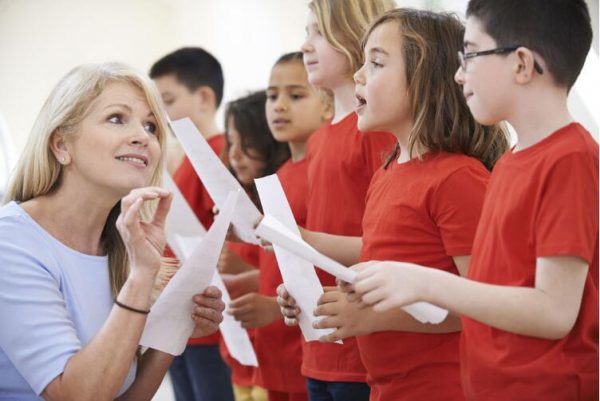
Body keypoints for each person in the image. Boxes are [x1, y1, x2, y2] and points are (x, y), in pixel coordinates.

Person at [350, 1, 599, 400]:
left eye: (471, 55)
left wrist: (425, 283)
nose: (458, 73)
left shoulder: (571, 158)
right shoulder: (511, 164)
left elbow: (554, 312)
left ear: (521, 65)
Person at [278, 9, 509, 400]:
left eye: (377, 63)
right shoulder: (387, 172)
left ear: (426, 81)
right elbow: (380, 258)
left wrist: (370, 317)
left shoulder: (458, 179)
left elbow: (483, 307)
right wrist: (315, 290)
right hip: (387, 387)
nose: (358, 75)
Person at [0, 62, 225, 401]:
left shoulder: (119, 247)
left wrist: (177, 324)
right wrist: (140, 280)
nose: (143, 137)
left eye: (151, 126)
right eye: (117, 118)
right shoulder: (11, 242)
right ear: (61, 145)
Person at [274, 1, 397, 400]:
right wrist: (298, 286)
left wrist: (303, 240)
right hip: (321, 342)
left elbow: (391, 246)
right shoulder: (321, 138)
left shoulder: (376, 132)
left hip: (362, 351)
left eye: (317, 33)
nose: (305, 46)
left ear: (354, 37)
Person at [228, 52, 332, 401]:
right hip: (277, 349)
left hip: (311, 342)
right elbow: (280, 263)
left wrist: (274, 308)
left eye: (296, 95)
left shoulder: (326, 168)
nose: (279, 106)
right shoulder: (281, 176)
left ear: (327, 103)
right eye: (272, 96)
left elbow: (325, 261)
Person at [149, 47, 236, 401]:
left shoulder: (219, 156)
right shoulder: (186, 162)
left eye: (167, 100)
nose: (160, 114)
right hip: (178, 313)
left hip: (207, 318)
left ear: (203, 97)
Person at [222, 90, 291, 401]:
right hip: (244, 351)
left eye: (245, 143)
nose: (234, 155)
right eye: (230, 142)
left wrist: (244, 272)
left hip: (283, 352)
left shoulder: (279, 203)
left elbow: (289, 273)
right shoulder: (239, 202)